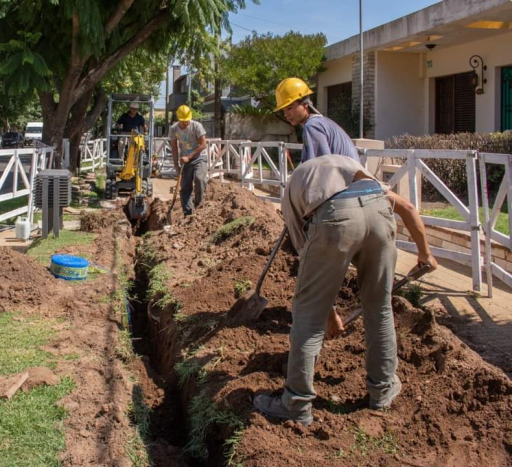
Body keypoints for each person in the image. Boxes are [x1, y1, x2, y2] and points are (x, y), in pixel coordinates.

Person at [253, 155, 438, 426]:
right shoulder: (356, 168)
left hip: (334, 217)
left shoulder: (292, 194)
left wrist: (329, 312)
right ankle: (383, 390)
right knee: (380, 308)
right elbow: (408, 207)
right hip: (378, 211)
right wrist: (425, 253)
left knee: (307, 316)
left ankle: (296, 404)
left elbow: (307, 254)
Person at [276, 78, 360, 163]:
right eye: (284, 110)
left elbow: (321, 167)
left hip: (345, 175)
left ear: (305, 104)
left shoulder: (312, 126)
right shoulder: (322, 122)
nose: (286, 114)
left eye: (289, 108)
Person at [170, 105, 208, 217]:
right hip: (185, 161)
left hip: (199, 157)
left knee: (200, 179)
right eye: (183, 121)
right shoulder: (173, 129)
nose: (186, 123)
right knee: (185, 186)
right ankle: (188, 214)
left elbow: (203, 144)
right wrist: (176, 165)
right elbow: (174, 148)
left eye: (187, 120)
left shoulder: (197, 126)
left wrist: (190, 156)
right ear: (179, 119)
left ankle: (199, 206)